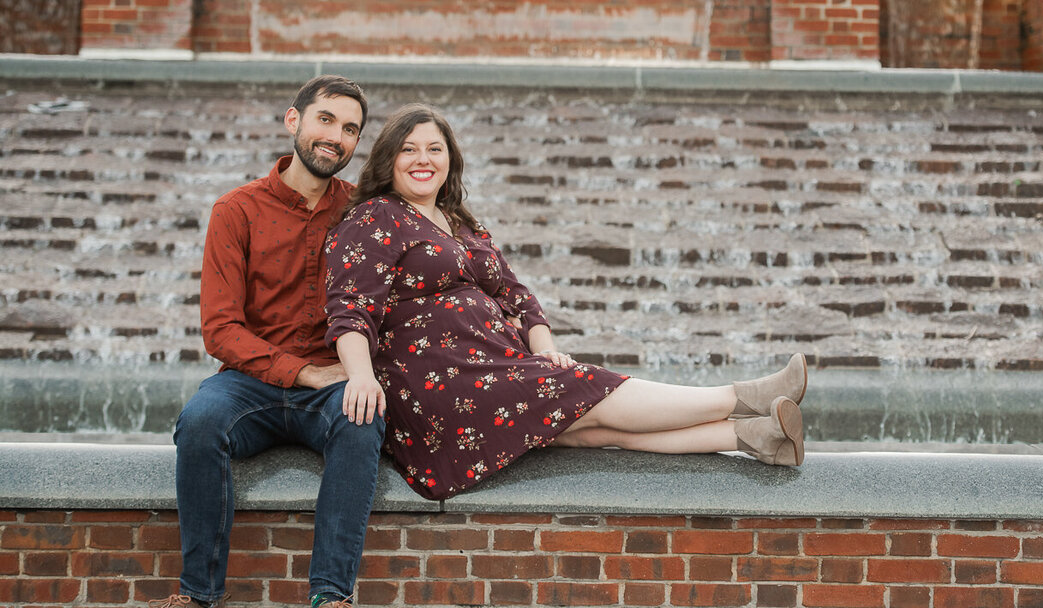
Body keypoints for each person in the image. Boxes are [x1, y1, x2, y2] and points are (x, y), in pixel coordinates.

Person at [322, 103, 808, 502]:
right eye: (408, 149)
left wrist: (545, 345)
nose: (421, 158)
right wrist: (361, 376)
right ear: (389, 160)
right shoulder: (375, 217)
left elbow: (518, 297)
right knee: (590, 390)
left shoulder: (461, 223)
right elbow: (350, 307)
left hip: (496, 364)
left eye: (434, 148)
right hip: (441, 382)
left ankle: (755, 439)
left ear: (450, 159)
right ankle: (742, 397)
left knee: (591, 428)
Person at [154, 76, 384, 608]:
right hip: (249, 384)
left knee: (362, 418)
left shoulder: (363, 213)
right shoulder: (236, 210)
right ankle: (199, 596)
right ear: (293, 120)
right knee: (200, 422)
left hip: (334, 382)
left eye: (351, 129)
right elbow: (220, 329)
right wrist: (304, 372)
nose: (337, 137)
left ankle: (330, 597)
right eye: (325, 119)